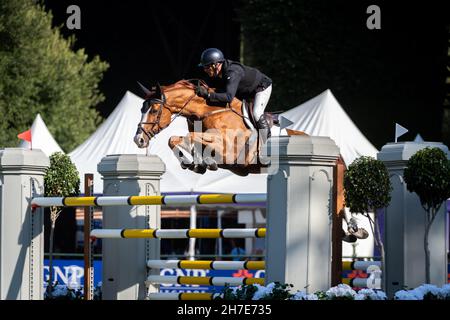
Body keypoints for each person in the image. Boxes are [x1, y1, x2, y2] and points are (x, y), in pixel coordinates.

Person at [196, 48, 273, 139]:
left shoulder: (232, 72)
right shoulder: (220, 72)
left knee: (256, 113)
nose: (205, 70)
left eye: (207, 67)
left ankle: (268, 142)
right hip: (246, 91)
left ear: (216, 65)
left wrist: (208, 95)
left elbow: (229, 97)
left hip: (261, 87)